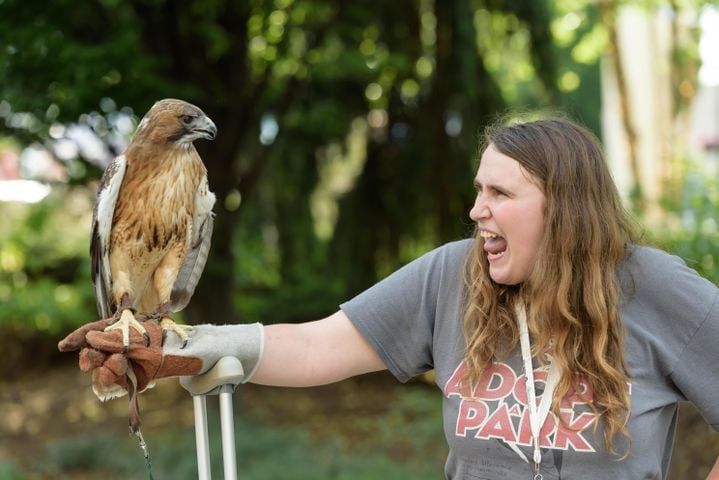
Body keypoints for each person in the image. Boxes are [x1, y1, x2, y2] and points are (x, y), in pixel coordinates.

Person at [60, 116, 719, 479]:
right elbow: (319, 345)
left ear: (565, 209)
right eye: (476, 190)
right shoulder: (452, 276)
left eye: (499, 195)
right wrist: (187, 347)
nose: (475, 210)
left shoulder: (654, 289)